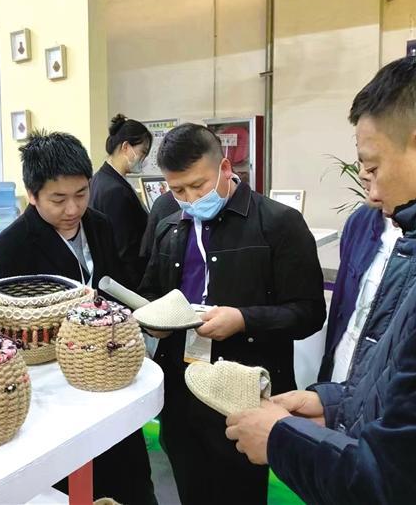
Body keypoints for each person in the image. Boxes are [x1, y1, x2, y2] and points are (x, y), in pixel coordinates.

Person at [225, 54, 416, 505]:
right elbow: (399, 379)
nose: (372, 191)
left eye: (374, 168)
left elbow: (396, 482)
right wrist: (336, 404)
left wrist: (279, 439)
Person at [139, 123, 326, 504]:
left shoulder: (278, 224)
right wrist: (153, 320)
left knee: (239, 491)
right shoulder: (169, 227)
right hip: (182, 390)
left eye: (199, 185)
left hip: (244, 393)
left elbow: (309, 312)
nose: (190, 199)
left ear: (225, 168)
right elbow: (150, 292)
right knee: (190, 486)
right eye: (178, 190)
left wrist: (243, 320)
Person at [0, 130, 156, 505]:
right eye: (58, 199)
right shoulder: (9, 249)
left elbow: (114, 286)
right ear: (32, 195)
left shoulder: (99, 225)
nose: (72, 209)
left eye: (81, 194)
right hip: (56, 391)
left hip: (110, 374)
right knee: (76, 483)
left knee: (130, 477)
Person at [318, 181, 401, 382]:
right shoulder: (361, 220)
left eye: (374, 168)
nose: (363, 174)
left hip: (391, 377)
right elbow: (343, 303)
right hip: (345, 355)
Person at [89, 114, 152, 289]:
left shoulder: (100, 178)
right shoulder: (115, 191)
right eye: (143, 152)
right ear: (126, 147)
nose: (144, 159)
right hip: (124, 284)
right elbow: (125, 251)